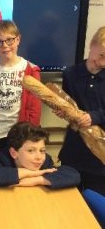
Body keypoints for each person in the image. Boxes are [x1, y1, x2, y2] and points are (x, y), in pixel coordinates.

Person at [0, 20, 41, 159]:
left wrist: (28, 138)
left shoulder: (31, 70)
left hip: (19, 136)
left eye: (9, 40)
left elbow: (35, 109)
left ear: (18, 40)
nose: (5, 46)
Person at [58, 26, 105, 196]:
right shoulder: (70, 74)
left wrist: (94, 116)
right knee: (68, 197)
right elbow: (67, 105)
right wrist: (63, 112)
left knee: (97, 202)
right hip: (74, 151)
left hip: (100, 156)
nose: (102, 63)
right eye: (100, 55)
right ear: (92, 44)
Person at [0, 121, 80, 189]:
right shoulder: (2, 158)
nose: (39, 157)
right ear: (14, 153)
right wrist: (31, 173)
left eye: (42, 150)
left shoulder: (45, 162)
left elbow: (73, 175)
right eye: (31, 151)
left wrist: (38, 179)